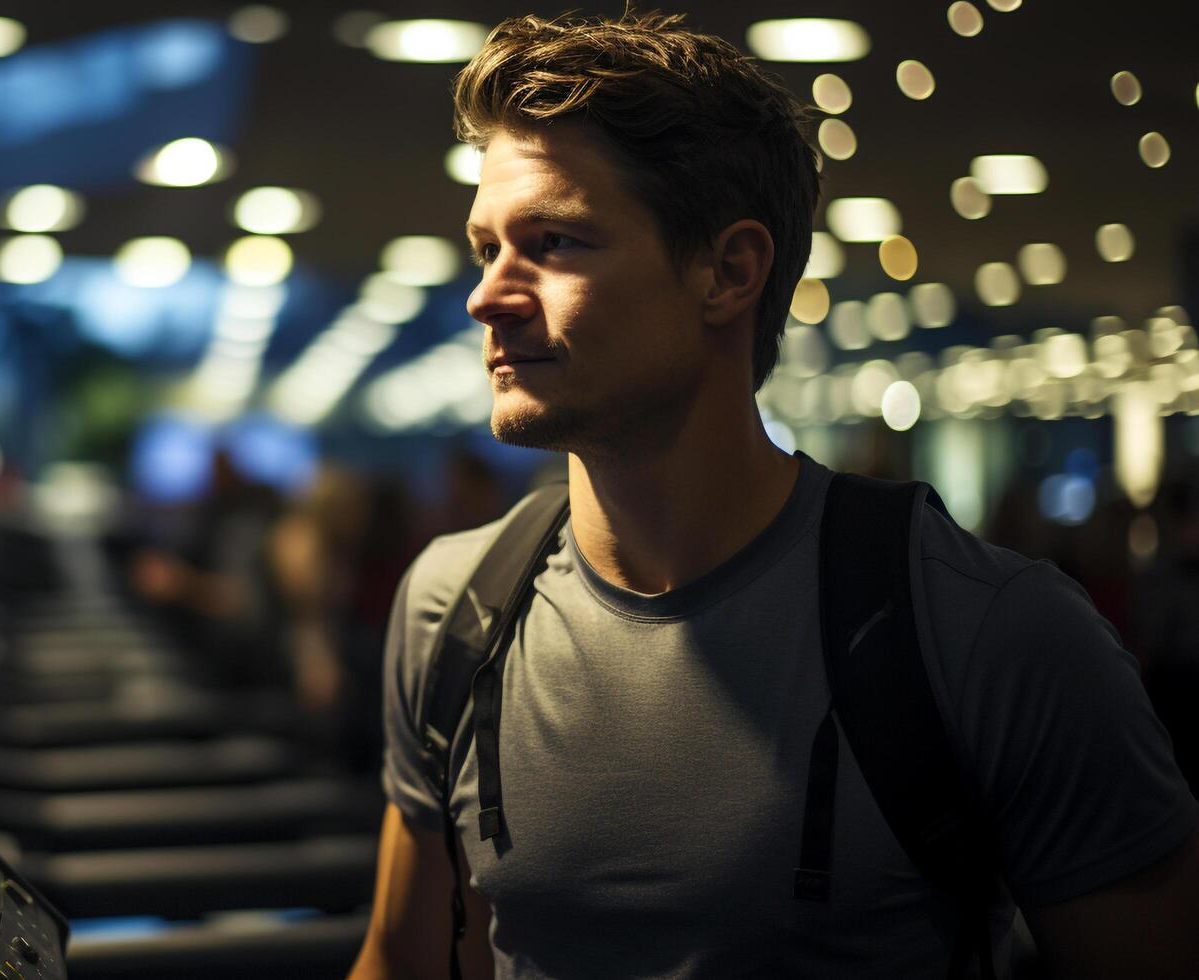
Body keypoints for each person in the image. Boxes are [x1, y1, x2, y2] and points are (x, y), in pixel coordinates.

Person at [349, 9, 1199, 979]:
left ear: (728, 270)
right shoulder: (455, 608)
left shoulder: (985, 633)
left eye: (554, 241)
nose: (487, 294)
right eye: (484, 247)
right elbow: (399, 957)